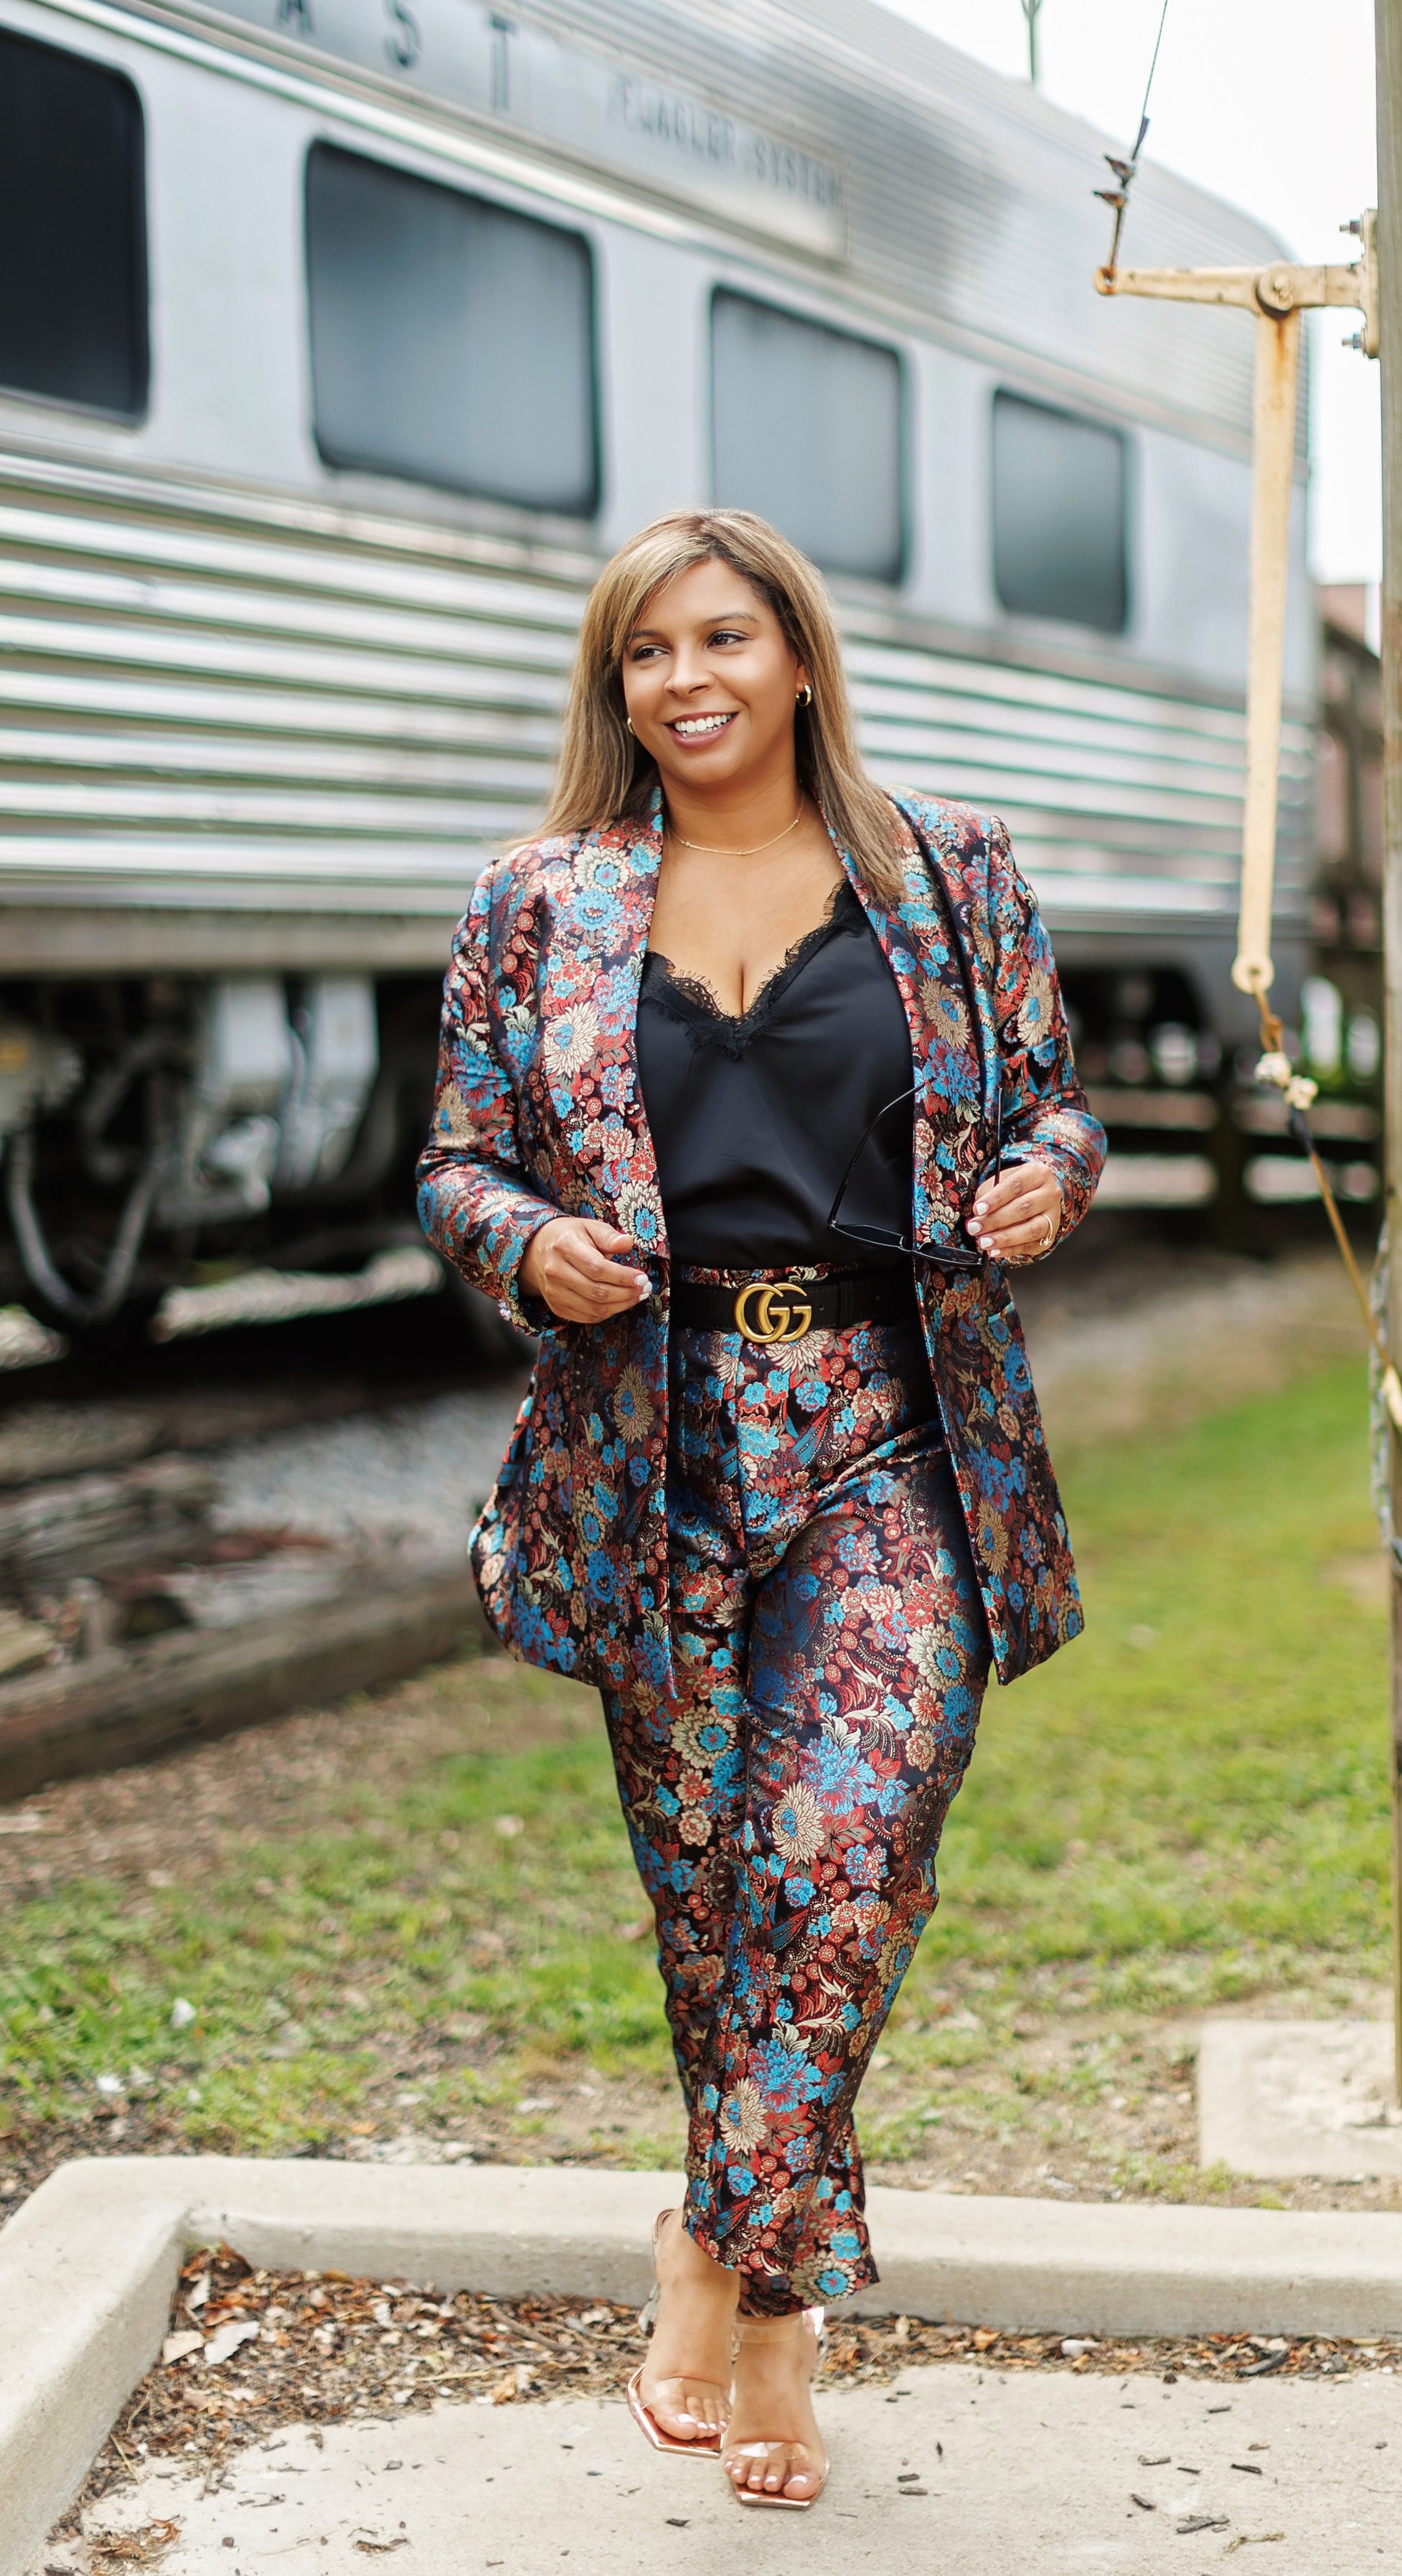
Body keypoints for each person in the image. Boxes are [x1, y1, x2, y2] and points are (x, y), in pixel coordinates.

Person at [418, 508, 1103, 2508]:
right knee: (715, 1894)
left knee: (846, 1859)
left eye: (723, 638)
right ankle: (719, 2237)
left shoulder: (948, 871)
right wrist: (525, 1243)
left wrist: (1049, 1179)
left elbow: (1056, 1102)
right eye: (648, 652)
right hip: (655, 1451)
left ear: (798, 656)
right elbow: (457, 1161)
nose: (686, 679)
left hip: (893, 1428)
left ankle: (756, 2293)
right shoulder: (536, 900)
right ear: (615, 687)